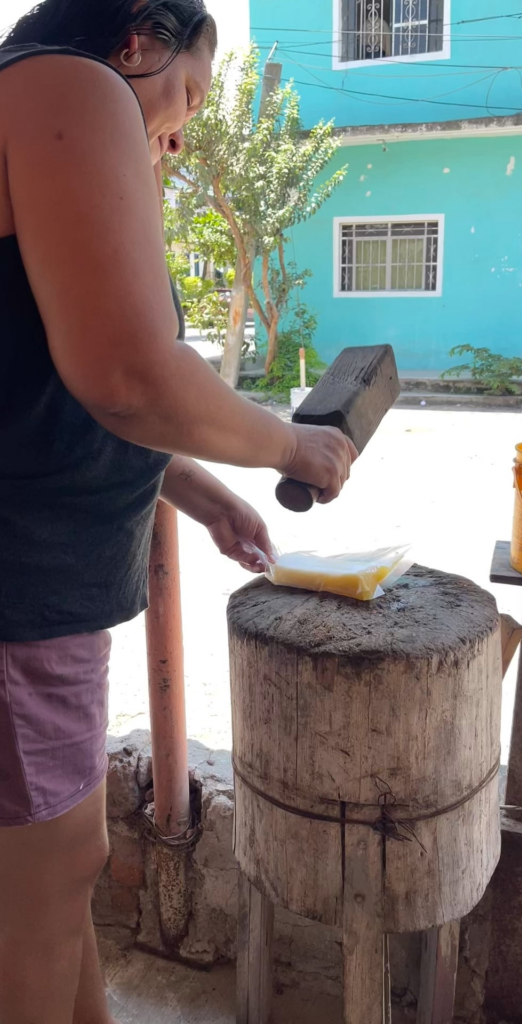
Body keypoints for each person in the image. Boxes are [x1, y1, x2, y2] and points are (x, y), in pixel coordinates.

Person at [0, 2, 357, 1021]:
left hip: (37, 591)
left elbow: (45, 387)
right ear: (137, 43)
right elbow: (126, 373)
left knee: (56, 875)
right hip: (18, 592)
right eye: (190, 95)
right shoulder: (67, 86)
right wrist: (293, 445)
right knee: (39, 888)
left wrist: (199, 491)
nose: (183, 132)